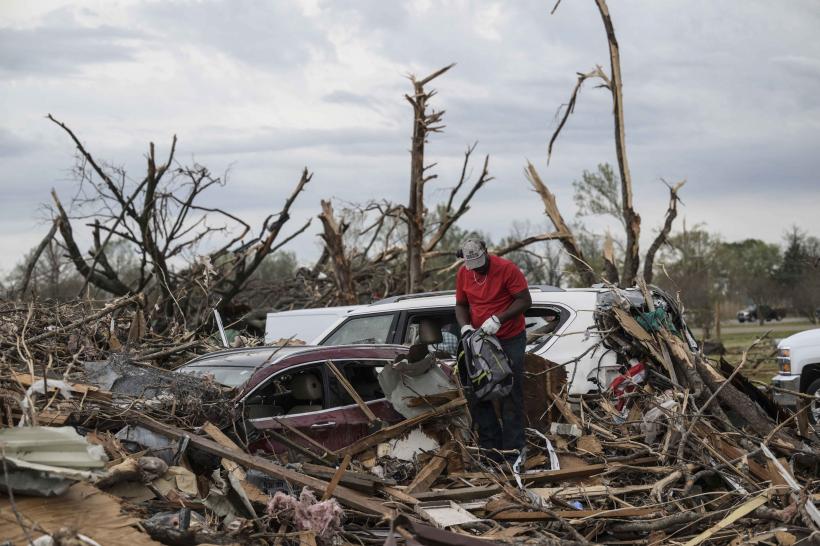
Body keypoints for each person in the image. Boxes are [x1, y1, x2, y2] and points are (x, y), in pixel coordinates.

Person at [454, 239, 531, 461]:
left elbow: (525, 300)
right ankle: (491, 451)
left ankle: (514, 451)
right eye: (472, 264)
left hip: (509, 336)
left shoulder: (507, 269)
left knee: (510, 391)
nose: (477, 267)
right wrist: (466, 327)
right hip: (479, 340)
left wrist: (500, 318)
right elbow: (460, 304)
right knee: (478, 392)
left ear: (486, 252)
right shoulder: (463, 274)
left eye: (479, 262)